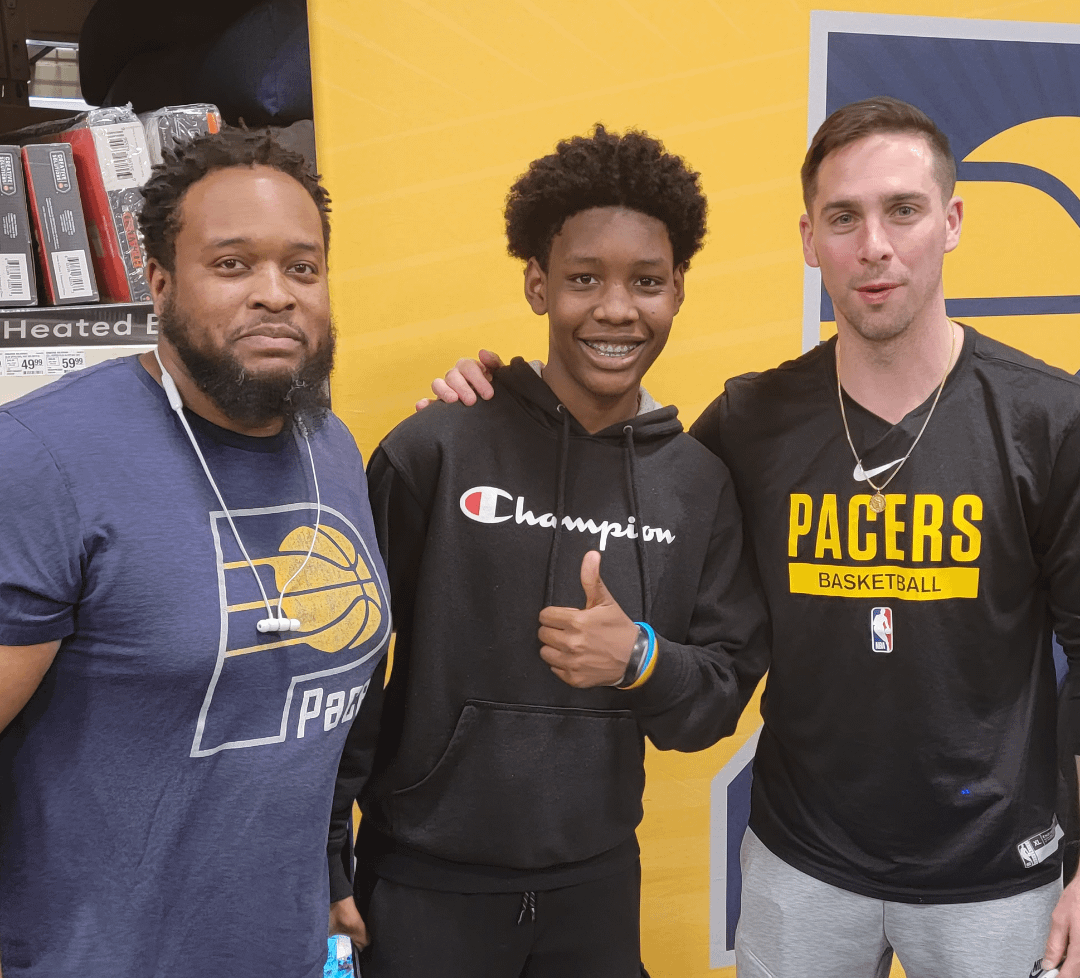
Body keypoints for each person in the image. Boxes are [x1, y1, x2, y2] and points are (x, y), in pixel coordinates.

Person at [429, 97, 1080, 978]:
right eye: (844, 218)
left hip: (996, 874)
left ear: (952, 222)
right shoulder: (751, 419)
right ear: (810, 239)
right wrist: (496, 413)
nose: (874, 246)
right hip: (801, 864)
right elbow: (618, 481)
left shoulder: (1049, 418)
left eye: (903, 210)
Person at [326, 125, 769, 977]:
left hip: (595, 890)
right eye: (583, 279)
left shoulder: (698, 484)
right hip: (422, 883)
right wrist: (325, 855)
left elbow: (713, 702)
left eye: (646, 281)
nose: (616, 309)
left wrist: (639, 659)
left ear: (678, 289)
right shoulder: (436, 450)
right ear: (538, 284)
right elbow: (346, 669)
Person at [0, 128, 390, 978]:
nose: (275, 295)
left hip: (287, 952)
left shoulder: (331, 448)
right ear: (161, 281)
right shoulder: (44, 460)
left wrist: (328, 876)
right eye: (232, 264)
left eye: (302, 267)